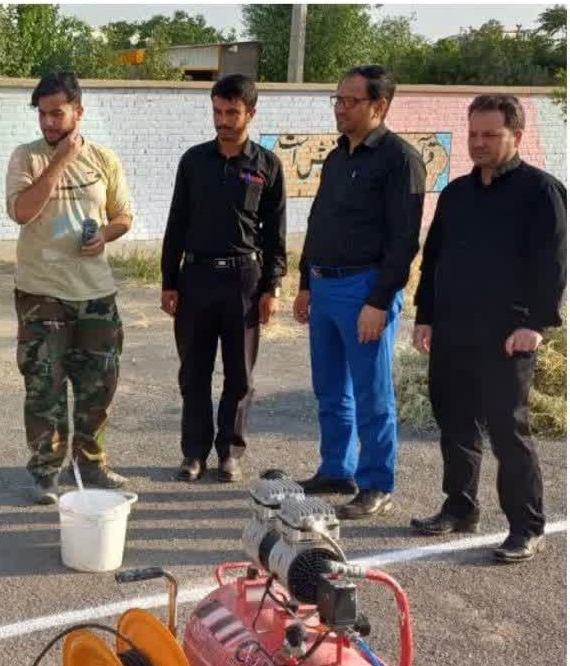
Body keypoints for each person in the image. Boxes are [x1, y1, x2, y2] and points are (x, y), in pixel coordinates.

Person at [408, 95, 566, 563]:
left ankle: (526, 525)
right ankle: (460, 507)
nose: (478, 142)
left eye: (490, 135)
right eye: (473, 133)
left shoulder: (541, 192)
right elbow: (434, 258)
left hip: (506, 334)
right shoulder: (457, 193)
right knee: (454, 420)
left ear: (516, 135)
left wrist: (536, 323)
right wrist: (426, 315)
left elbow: (552, 263)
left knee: (506, 428)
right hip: (454, 329)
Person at [292, 65, 426, 520]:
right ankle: (336, 469)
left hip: (364, 289)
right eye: (338, 99)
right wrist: (306, 283)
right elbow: (317, 222)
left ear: (379, 105)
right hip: (326, 286)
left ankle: (375, 483)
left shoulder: (399, 159)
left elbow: (404, 240)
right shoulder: (337, 157)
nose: (340, 108)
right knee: (330, 389)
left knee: (372, 393)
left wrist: (379, 300)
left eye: (350, 101)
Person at [4, 72, 134, 505]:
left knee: (99, 385)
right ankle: (45, 471)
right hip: (42, 292)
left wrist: (106, 236)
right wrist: (59, 159)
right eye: (42, 114)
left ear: (78, 111)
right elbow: (22, 212)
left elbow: (123, 216)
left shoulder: (104, 159)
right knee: (45, 385)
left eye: (56, 113)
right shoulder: (27, 158)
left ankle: (91, 463)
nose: (48, 122)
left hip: (95, 292)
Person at [161, 74, 287, 484]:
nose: (223, 120)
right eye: (217, 111)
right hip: (196, 277)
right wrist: (169, 281)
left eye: (232, 112)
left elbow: (275, 233)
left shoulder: (267, 165)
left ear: (250, 112)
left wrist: (272, 287)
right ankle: (193, 454)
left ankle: (229, 453)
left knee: (240, 375)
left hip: (244, 281)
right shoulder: (193, 161)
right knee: (193, 371)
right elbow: (176, 223)